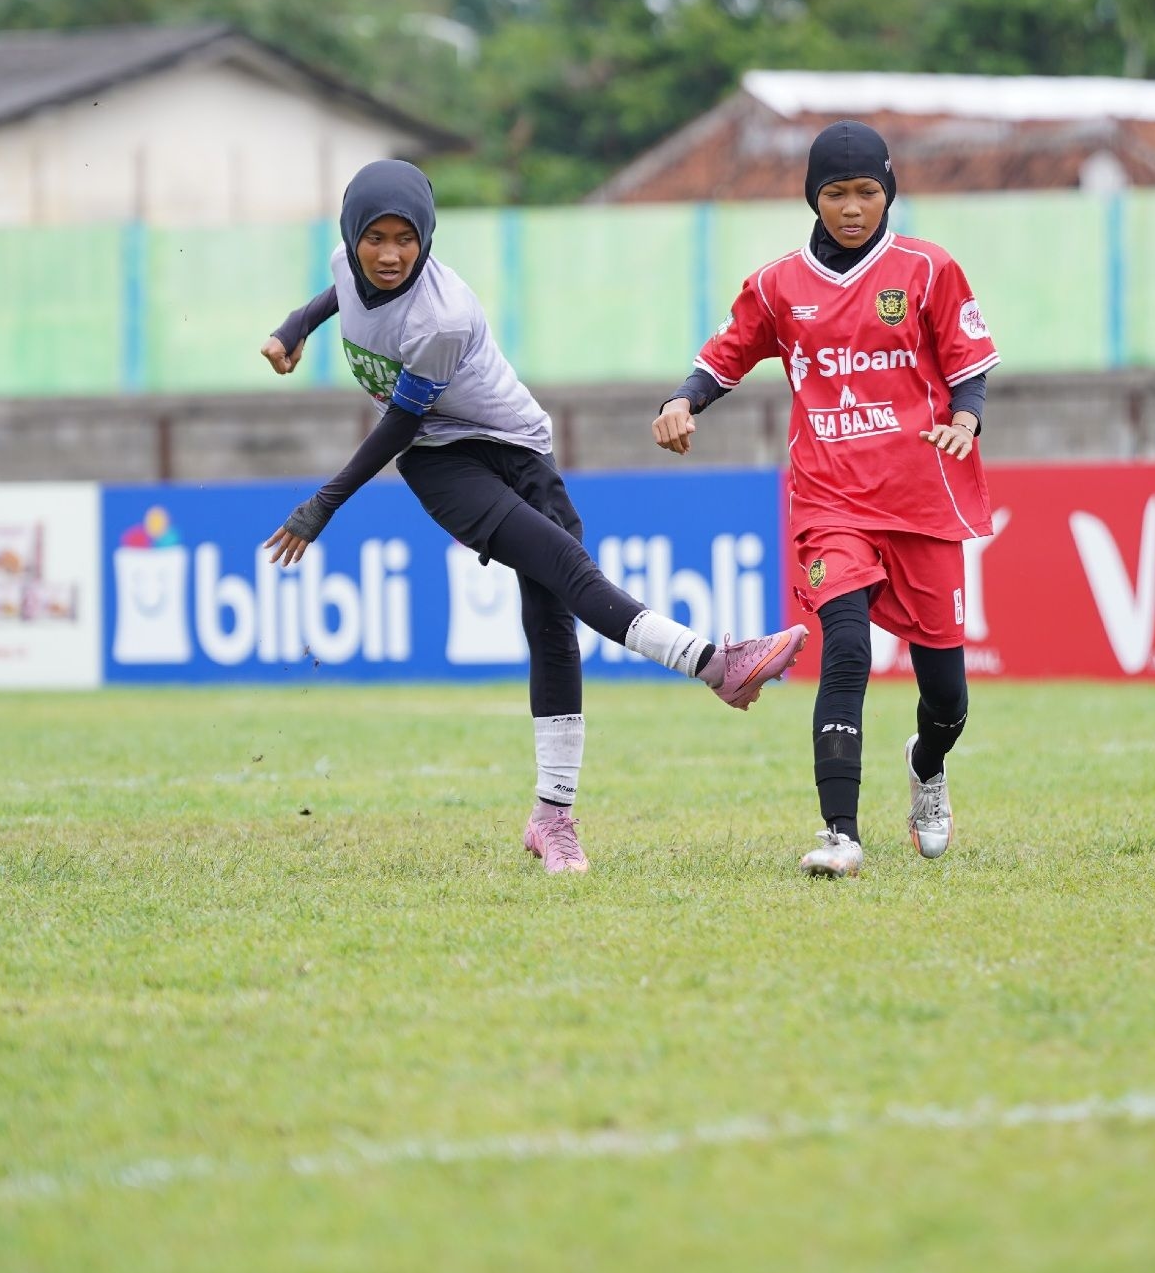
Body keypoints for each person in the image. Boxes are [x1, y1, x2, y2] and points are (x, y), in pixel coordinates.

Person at [259, 159, 808, 875]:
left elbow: (397, 420)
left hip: (517, 445)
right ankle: (715, 664)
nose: (390, 255)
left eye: (407, 239)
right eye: (375, 238)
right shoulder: (346, 260)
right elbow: (345, 298)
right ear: (351, 233)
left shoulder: (439, 318)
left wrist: (321, 504)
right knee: (567, 568)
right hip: (440, 461)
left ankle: (552, 819)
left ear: (427, 236)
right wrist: (295, 327)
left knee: (554, 616)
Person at [652, 121, 999, 877]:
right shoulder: (778, 285)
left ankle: (927, 764)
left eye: (866, 192)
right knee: (846, 648)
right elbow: (724, 357)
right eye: (836, 193)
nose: (851, 207)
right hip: (829, 500)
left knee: (948, 698)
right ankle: (840, 833)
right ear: (814, 196)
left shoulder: (929, 268)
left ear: (888, 192)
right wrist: (682, 401)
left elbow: (968, 363)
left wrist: (966, 420)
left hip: (920, 501)